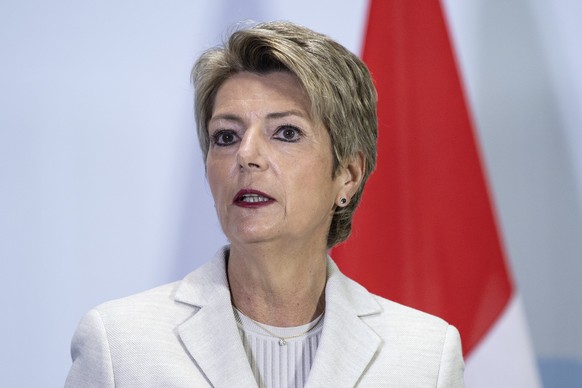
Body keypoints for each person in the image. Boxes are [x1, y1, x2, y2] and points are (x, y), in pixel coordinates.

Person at [65, 21, 465, 387]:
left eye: (286, 132)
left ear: (348, 173)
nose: (246, 155)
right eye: (225, 136)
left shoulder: (424, 356)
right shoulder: (119, 345)